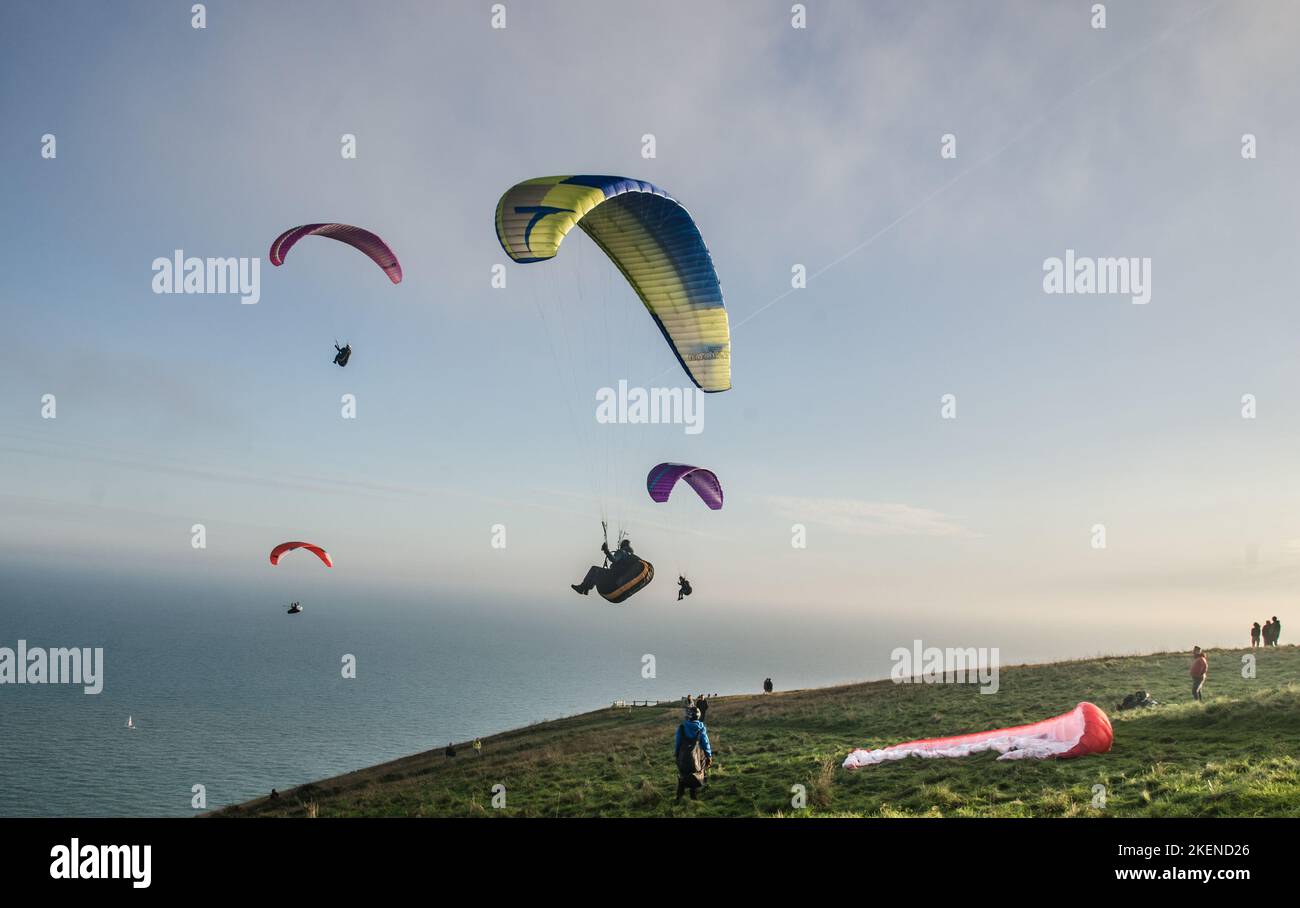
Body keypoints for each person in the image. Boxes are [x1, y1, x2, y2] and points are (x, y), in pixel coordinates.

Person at [571, 538, 638, 595]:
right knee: (599, 573)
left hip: (613, 575)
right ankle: (586, 589)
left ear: (622, 545)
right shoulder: (630, 556)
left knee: (594, 569)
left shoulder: (622, 552)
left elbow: (613, 560)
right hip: (618, 577)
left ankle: (583, 587)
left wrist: (606, 550)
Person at [674, 706, 712, 802]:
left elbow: (678, 743)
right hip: (698, 757)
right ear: (698, 716)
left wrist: (677, 754)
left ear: (688, 716)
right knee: (697, 772)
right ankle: (693, 796)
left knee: (683, 775)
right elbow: (705, 743)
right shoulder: (701, 728)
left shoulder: (682, 728)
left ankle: (679, 796)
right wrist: (709, 756)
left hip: (683, 757)